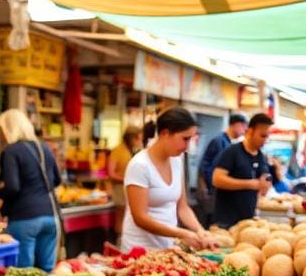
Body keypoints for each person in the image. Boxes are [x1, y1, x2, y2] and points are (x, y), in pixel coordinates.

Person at [120, 107, 212, 252]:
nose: (187, 147)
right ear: (165, 134)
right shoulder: (140, 165)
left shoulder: (177, 161)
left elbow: (182, 207)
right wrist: (181, 233)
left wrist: (200, 231)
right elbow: (140, 218)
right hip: (138, 250)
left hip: (166, 247)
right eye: (185, 139)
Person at [0, 109, 62, 271]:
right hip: (50, 216)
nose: (1, 135)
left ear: (9, 129)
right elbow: (57, 180)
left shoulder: (11, 151)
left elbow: (13, 187)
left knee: (24, 273)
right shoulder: (43, 148)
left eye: (1, 129)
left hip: (24, 218)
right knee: (46, 271)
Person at [211, 113, 274, 228]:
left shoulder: (261, 156)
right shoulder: (232, 152)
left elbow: (264, 178)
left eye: (267, 137)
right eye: (262, 136)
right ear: (250, 131)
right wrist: (249, 184)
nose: (265, 140)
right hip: (226, 222)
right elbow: (217, 179)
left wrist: (265, 183)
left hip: (248, 221)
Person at [108, 127, 143, 236]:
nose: (139, 141)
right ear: (132, 138)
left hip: (127, 190)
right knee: (121, 217)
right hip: (119, 191)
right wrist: (128, 179)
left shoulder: (129, 151)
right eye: (138, 138)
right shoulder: (117, 151)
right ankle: (120, 240)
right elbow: (111, 173)